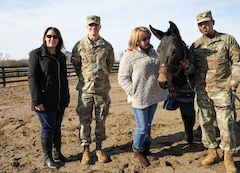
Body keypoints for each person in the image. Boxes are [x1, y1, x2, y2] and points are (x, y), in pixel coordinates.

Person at [190, 10, 240, 173]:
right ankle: (212, 152)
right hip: (202, 92)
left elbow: (238, 63)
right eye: (200, 24)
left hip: (223, 90)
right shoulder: (195, 45)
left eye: (206, 23)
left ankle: (228, 157)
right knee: (205, 124)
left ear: (213, 22)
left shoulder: (227, 40)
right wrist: (187, 67)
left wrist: (234, 82)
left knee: (226, 125)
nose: (203, 26)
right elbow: (192, 70)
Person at [118, 26, 167, 167]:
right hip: (138, 97)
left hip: (153, 95)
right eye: (144, 38)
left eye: (149, 37)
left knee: (149, 124)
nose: (147, 40)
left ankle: (146, 149)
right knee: (142, 126)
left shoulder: (153, 52)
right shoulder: (129, 56)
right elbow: (122, 78)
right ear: (136, 41)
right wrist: (132, 91)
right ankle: (137, 151)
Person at [71, 15, 115, 164]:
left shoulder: (107, 46)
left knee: (101, 120)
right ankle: (86, 151)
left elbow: (109, 64)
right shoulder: (79, 46)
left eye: (96, 26)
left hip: (102, 90)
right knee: (85, 121)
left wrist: (100, 77)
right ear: (87, 27)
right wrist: (85, 78)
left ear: (100, 27)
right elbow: (76, 64)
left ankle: (99, 149)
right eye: (90, 26)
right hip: (85, 91)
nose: (93, 28)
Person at [28, 27, 70, 169]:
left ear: (59, 39)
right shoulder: (37, 55)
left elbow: (64, 78)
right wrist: (36, 100)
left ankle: (58, 153)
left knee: (57, 128)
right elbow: (32, 78)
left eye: (55, 37)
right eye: (49, 36)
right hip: (44, 101)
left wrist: (66, 96)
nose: (52, 39)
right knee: (48, 128)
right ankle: (48, 158)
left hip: (59, 100)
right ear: (45, 38)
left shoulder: (61, 57)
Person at [163, 55, 196, 145]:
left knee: (189, 109)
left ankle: (189, 132)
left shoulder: (188, 53)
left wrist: (188, 67)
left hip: (189, 83)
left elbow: (194, 67)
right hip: (175, 83)